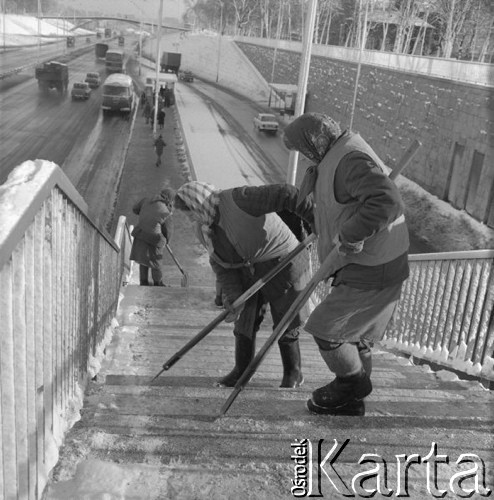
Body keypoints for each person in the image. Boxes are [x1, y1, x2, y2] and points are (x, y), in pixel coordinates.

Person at [282, 112, 410, 416]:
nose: (303, 156)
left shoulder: (349, 160)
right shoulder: (336, 154)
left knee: (328, 330)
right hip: (369, 261)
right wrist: (324, 228)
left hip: (373, 263)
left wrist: (349, 233)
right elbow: (343, 203)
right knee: (356, 336)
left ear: (314, 143)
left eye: (303, 149)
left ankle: (352, 384)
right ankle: (351, 403)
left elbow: (387, 202)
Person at [174, 181, 314, 389]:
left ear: (198, 203)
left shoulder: (240, 199)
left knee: (286, 320)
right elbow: (222, 265)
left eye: (190, 212)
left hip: (284, 261)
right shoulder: (205, 229)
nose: (191, 219)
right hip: (249, 270)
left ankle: (293, 372)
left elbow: (288, 193)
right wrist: (233, 297)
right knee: (244, 320)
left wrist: (316, 221)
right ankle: (242, 371)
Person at [130, 188, 175, 286]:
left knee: (143, 260)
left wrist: (145, 213)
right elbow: (168, 231)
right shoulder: (166, 212)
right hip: (155, 239)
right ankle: (158, 284)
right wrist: (166, 241)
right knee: (156, 263)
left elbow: (135, 209)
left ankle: (144, 283)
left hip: (140, 233)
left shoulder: (146, 200)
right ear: (170, 200)